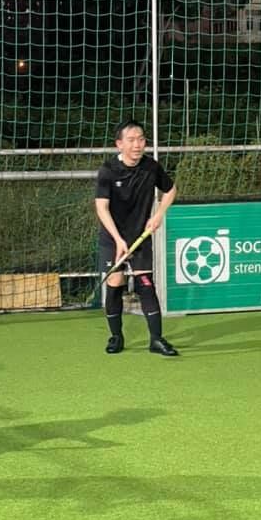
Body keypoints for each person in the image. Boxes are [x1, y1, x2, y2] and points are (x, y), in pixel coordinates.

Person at [95, 118, 178, 357]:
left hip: (140, 236)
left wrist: (159, 214)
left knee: (146, 285)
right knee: (115, 284)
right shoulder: (108, 171)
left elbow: (170, 190)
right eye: (131, 140)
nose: (137, 145)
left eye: (141, 139)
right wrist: (119, 240)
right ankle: (116, 336)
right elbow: (102, 208)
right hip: (113, 238)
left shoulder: (151, 167)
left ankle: (156, 340)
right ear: (119, 144)